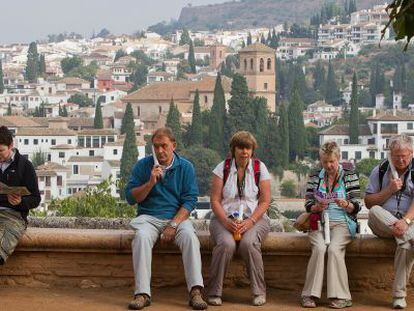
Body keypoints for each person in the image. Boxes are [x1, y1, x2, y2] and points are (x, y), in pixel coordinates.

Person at [125, 127, 208, 310]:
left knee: (190, 239)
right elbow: (131, 198)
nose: (160, 151)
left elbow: (189, 200)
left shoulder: (185, 167)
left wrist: (174, 224)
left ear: (173, 145)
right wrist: (150, 183)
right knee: (141, 238)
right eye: (156, 146)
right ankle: (142, 293)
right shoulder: (143, 166)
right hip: (148, 217)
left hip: (177, 218)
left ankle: (195, 291)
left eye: (164, 146)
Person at [206, 131, 271, 306]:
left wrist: (250, 222)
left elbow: (265, 201)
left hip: (255, 218)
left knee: (249, 244)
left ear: (252, 150)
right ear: (233, 150)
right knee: (226, 244)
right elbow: (215, 200)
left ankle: (258, 292)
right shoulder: (222, 168)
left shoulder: (260, 168)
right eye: (240, 148)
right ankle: (214, 292)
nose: (244, 152)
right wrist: (226, 222)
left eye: (248, 148)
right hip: (224, 218)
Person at [301, 141, 361, 309]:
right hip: (319, 221)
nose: (328, 165)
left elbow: (357, 204)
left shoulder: (349, 175)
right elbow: (307, 204)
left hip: (343, 222)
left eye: (332, 161)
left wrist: (346, 204)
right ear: (321, 160)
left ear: (339, 158)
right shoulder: (315, 176)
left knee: (334, 249)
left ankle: (342, 297)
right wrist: (316, 207)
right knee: (319, 248)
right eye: (325, 162)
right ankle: (309, 295)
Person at [365, 134, 414, 309]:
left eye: (404, 156)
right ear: (390, 154)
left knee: (405, 245)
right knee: (376, 211)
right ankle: (410, 236)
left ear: (411, 153)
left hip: (408, 223)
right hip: (382, 222)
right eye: (397, 156)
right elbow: (368, 203)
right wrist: (389, 190)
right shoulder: (379, 170)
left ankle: (399, 297)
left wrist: (406, 221)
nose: (400, 159)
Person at [0, 126, 41, 264]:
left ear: (11, 146)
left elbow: (36, 199)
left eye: (1, 151)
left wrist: (20, 202)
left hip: (14, 215)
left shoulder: (25, 166)